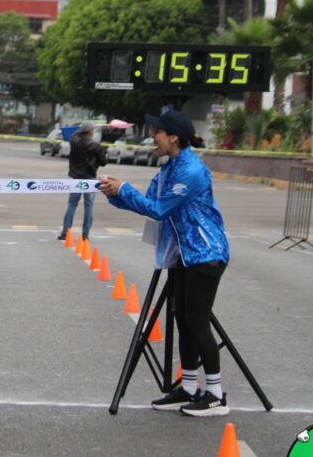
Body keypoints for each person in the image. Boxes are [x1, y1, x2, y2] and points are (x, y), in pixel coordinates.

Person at [98, 110, 231, 417]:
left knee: (197, 322)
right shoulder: (170, 168)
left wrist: (124, 189)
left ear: (173, 137)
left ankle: (215, 394)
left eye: (157, 132)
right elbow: (146, 201)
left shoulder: (191, 171)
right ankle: (187, 386)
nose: (152, 137)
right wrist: (113, 193)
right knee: (184, 322)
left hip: (205, 253)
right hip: (184, 254)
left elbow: (159, 209)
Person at [58, 122, 107, 242]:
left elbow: (75, 135)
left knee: (72, 204)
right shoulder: (95, 145)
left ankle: (65, 232)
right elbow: (103, 162)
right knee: (89, 205)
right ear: (90, 131)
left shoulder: (74, 141)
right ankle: (85, 234)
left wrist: (80, 130)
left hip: (76, 177)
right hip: (90, 178)